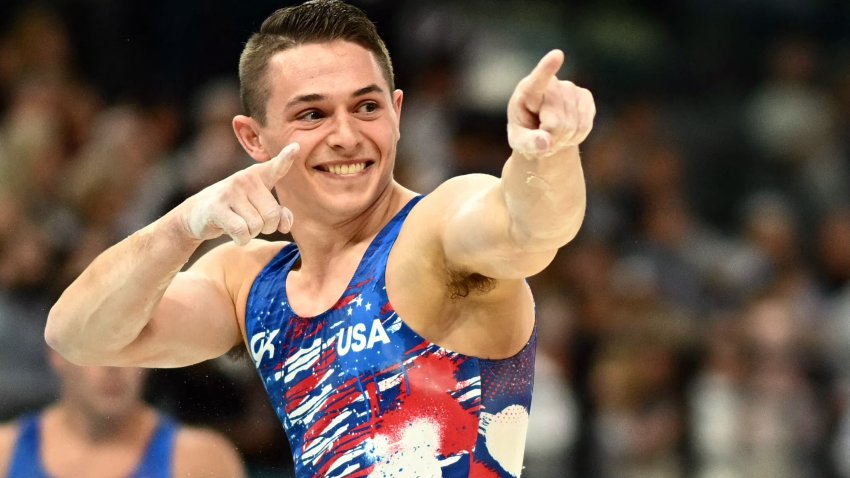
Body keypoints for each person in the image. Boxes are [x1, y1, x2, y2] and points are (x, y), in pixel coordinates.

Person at [44, 0, 595, 476]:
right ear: (253, 138)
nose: (347, 136)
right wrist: (185, 224)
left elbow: (530, 230)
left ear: (397, 113)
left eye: (367, 107)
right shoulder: (250, 282)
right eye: (313, 114)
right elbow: (82, 336)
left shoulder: (436, 230)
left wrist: (547, 152)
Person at [0, 349, 246, 477]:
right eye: (96, 347)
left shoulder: (201, 460)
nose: (113, 366)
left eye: (130, 345)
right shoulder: (4, 452)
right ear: (57, 352)